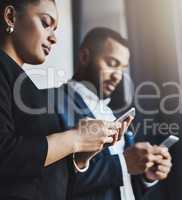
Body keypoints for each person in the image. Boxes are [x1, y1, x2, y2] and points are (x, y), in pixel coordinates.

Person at [0, 1, 118, 200]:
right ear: (11, 16)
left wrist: (81, 156)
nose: (54, 38)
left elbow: (46, 177)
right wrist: (76, 138)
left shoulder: (25, 85)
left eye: (55, 29)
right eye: (46, 23)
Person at [54, 27, 173, 200]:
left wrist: (147, 176)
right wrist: (123, 164)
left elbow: (121, 188)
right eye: (111, 63)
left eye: (123, 69)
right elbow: (52, 182)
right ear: (84, 57)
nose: (118, 76)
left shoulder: (111, 113)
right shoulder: (53, 102)